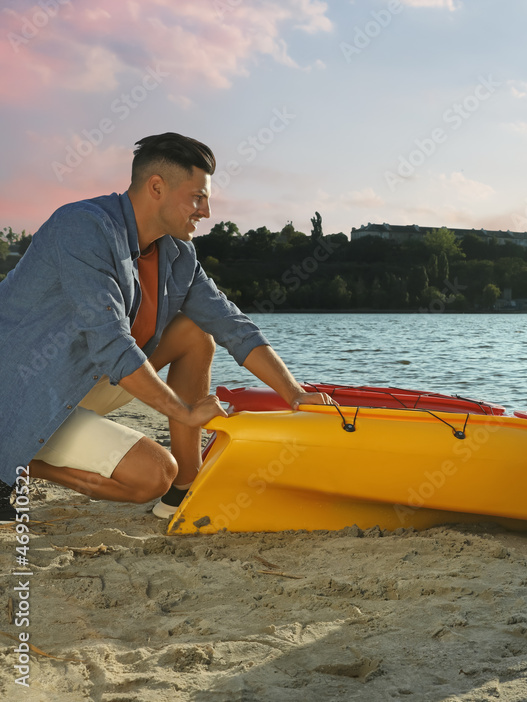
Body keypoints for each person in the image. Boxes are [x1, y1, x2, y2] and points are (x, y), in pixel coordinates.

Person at [0, 132, 333, 521]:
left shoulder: (177, 256)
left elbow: (233, 325)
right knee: (151, 475)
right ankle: (13, 460)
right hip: (25, 390)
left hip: (87, 380)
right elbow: (110, 342)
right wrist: (184, 410)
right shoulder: (82, 228)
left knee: (196, 334)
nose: (206, 212)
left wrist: (294, 394)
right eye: (197, 197)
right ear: (156, 186)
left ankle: (186, 487)